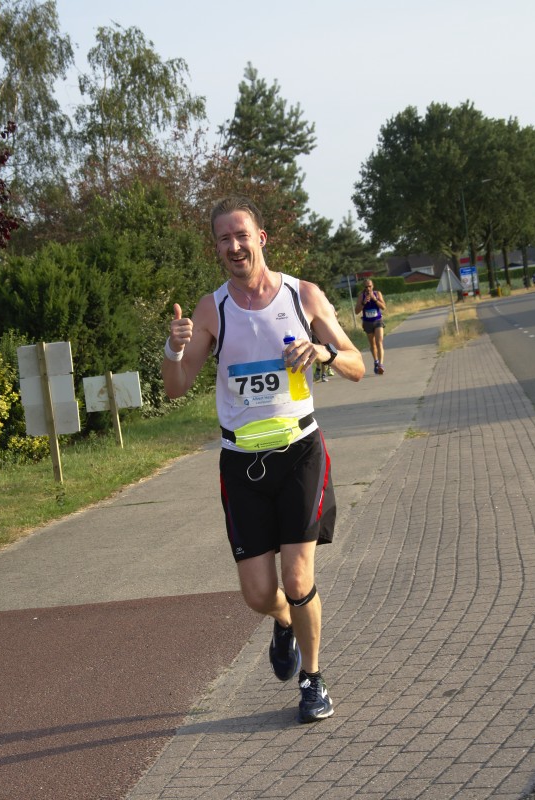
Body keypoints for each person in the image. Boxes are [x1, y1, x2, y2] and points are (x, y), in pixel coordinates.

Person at [162, 196, 365, 723]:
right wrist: (173, 349)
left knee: (297, 580)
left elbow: (357, 363)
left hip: (300, 453)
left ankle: (313, 679)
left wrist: (323, 353)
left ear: (261, 238)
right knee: (258, 594)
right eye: (224, 239)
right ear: (216, 248)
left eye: (241, 235)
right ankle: (284, 622)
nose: (234, 246)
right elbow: (176, 387)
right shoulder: (212, 309)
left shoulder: (303, 295)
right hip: (242, 465)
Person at [354, 278, 386, 374]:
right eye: (366, 287)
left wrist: (375, 299)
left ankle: (381, 364)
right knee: (373, 344)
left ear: (373, 286)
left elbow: (383, 307)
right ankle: (376, 361)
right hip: (367, 322)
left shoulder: (377, 294)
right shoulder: (361, 296)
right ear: (364, 287)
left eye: (370, 286)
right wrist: (363, 302)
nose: (368, 288)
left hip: (378, 320)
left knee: (379, 342)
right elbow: (356, 311)